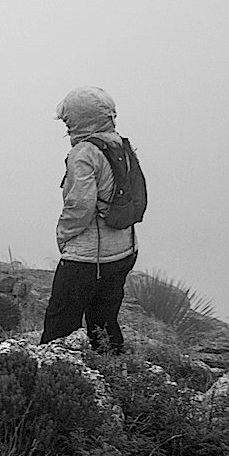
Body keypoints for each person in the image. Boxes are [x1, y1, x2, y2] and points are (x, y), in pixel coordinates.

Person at [40, 86, 138, 353]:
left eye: (68, 119)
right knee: (104, 323)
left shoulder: (84, 152)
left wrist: (63, 236)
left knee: (59, 326)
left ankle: (55, 380)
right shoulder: (119, 144)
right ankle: (115, 375)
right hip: (124, 250)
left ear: (80, 118)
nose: (66, 125)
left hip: (88, 258)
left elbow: (80, 205)